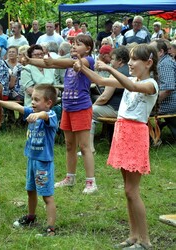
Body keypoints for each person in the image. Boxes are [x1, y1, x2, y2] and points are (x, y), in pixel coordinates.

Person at [74, 43, 158, 249]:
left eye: (134, 59)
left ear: (148, 63)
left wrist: (110, 68)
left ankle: (145, 241)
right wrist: (81, 67)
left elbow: (132, 87)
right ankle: (133, 236)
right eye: (129, 59)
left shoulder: (151, 84)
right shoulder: (130, 78)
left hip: (135, 136)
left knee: (132, 191)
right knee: (127, 191)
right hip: (122, 132)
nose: (130, 63)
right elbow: (101, 80)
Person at [23, 34, 97, 194]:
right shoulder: (69, 62)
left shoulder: (87, 61)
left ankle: (91, 182)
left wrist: (54, 61)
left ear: (88, 48)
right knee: (69, 145)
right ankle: (70, 177)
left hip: (82, 108)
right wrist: (30, 61)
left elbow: (69, 63)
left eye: (78, 44)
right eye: (73, 44)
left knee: (84, 146)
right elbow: (48, 64)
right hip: (68, 107)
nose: (74, 47)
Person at [0, 84, 58, 236]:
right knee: (30, 190)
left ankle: (50, 228)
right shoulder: (32, 111)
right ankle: (31, 216)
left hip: (43, 163)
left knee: (47, 195)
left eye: (36, 100)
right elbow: (16, 106)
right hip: (32, 160)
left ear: (48, 103)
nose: (32, 102)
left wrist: (39, 115)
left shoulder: (51, 115)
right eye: (32, 99)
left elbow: (46, 116)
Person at [90, 46, 130, 153]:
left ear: (120, 60)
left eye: (112, 59)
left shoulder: (116, 74)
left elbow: (104, 97)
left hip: (117, 110)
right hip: (129, 109)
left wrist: (93, 106)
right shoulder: (131, 70)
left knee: (88, 112)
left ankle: (89, 149)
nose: (111, 62)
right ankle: (104, 136)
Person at [150, 39, 176, 139]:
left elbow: (167, 89)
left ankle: (151, 138)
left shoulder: (165, 64)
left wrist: (152, 104)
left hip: (169, 103)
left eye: (151, 51)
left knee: (139, 109)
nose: (149, 54)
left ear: (160, 52)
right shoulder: (163, 62)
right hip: (168, 102)